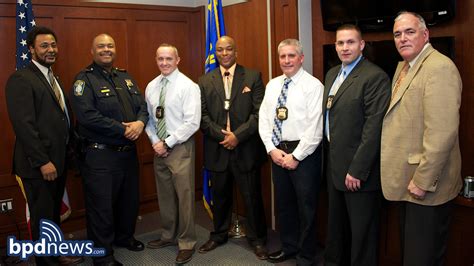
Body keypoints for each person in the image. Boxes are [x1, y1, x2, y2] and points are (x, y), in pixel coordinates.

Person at [381, 11, 462, 266]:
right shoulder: (406, 66)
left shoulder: (440, 67)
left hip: (426, 186)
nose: (402, 38)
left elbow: (442, 133)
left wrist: (423, 180)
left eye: (409, 32)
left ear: (425, 34)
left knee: (422, 258)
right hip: (408, 182)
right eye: (397, 34)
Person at [5, 26, 83, 266]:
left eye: (53, 45)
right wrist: (43, 162)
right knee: (42, 219)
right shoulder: (21, 79)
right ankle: (46, 263)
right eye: (44, 46)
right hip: (39, 166)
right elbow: (24, 127)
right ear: (31, 49)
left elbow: (61, 118)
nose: (51, 50)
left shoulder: (52, 77)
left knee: (52, 217)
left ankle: (56, 254)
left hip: (57, 162)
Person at [70, 33, 148, 266]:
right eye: (101, 46)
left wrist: (140, 123)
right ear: (92, 52)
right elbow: (87, 116)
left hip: (127, 154)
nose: (106, 49)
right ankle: (102, 255)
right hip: (99, 155)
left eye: (110, 46)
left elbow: (142, 106)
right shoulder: (84, 80)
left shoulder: (125, 77)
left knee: (129, 201)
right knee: (101, 207)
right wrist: (123, 129)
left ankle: (124, 237)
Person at [322, 24, 391, 266]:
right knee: (336, 232)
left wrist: (357, 170)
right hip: (334, 167)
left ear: (361, 45)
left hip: (358, 174)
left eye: (350, 42)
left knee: (362, 238)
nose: (344, 47)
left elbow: (374, 129)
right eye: (340, 43)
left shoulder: (375, 77)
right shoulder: (332, 74)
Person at [198, 36, 268, 260]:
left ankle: (258, 239)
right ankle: (219, 234)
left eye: (229, 49)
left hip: (245, 147)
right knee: (220, 196)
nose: (224, 53)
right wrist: (223, 136)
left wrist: (237, 136)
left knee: (252, 196)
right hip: (217, 147)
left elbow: (260, 113)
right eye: (220, 50)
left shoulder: (253, 76)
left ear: (236, 51)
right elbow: (202, 117)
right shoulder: (204, 81)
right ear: (215, 53)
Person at [258, 38, 324, 265]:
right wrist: (271, 149)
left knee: (306, 207)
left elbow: (315, 128)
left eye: (291, 56)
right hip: (278, 151)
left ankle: (306, 255)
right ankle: (289, 247)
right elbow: (264, 120)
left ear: (301, 58)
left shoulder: (313, 86)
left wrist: (296, 156)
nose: (286, 60)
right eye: (282, 56)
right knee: (284, 205)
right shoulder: (273, 85)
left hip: (304, 153)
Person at [143, 44, 201, 264]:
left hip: (180, 148)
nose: (164, 63)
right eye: (160, 59)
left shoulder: (188, 86)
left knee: (184, 197)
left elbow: (192, 122)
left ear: (178, 59)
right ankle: (168, 235)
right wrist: (156, 141)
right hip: (159, 148)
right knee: (165, 195)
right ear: (156, 60)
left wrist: (167, 142)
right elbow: (149, 119)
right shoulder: (151, 86)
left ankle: (187, 242)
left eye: (169, 58)